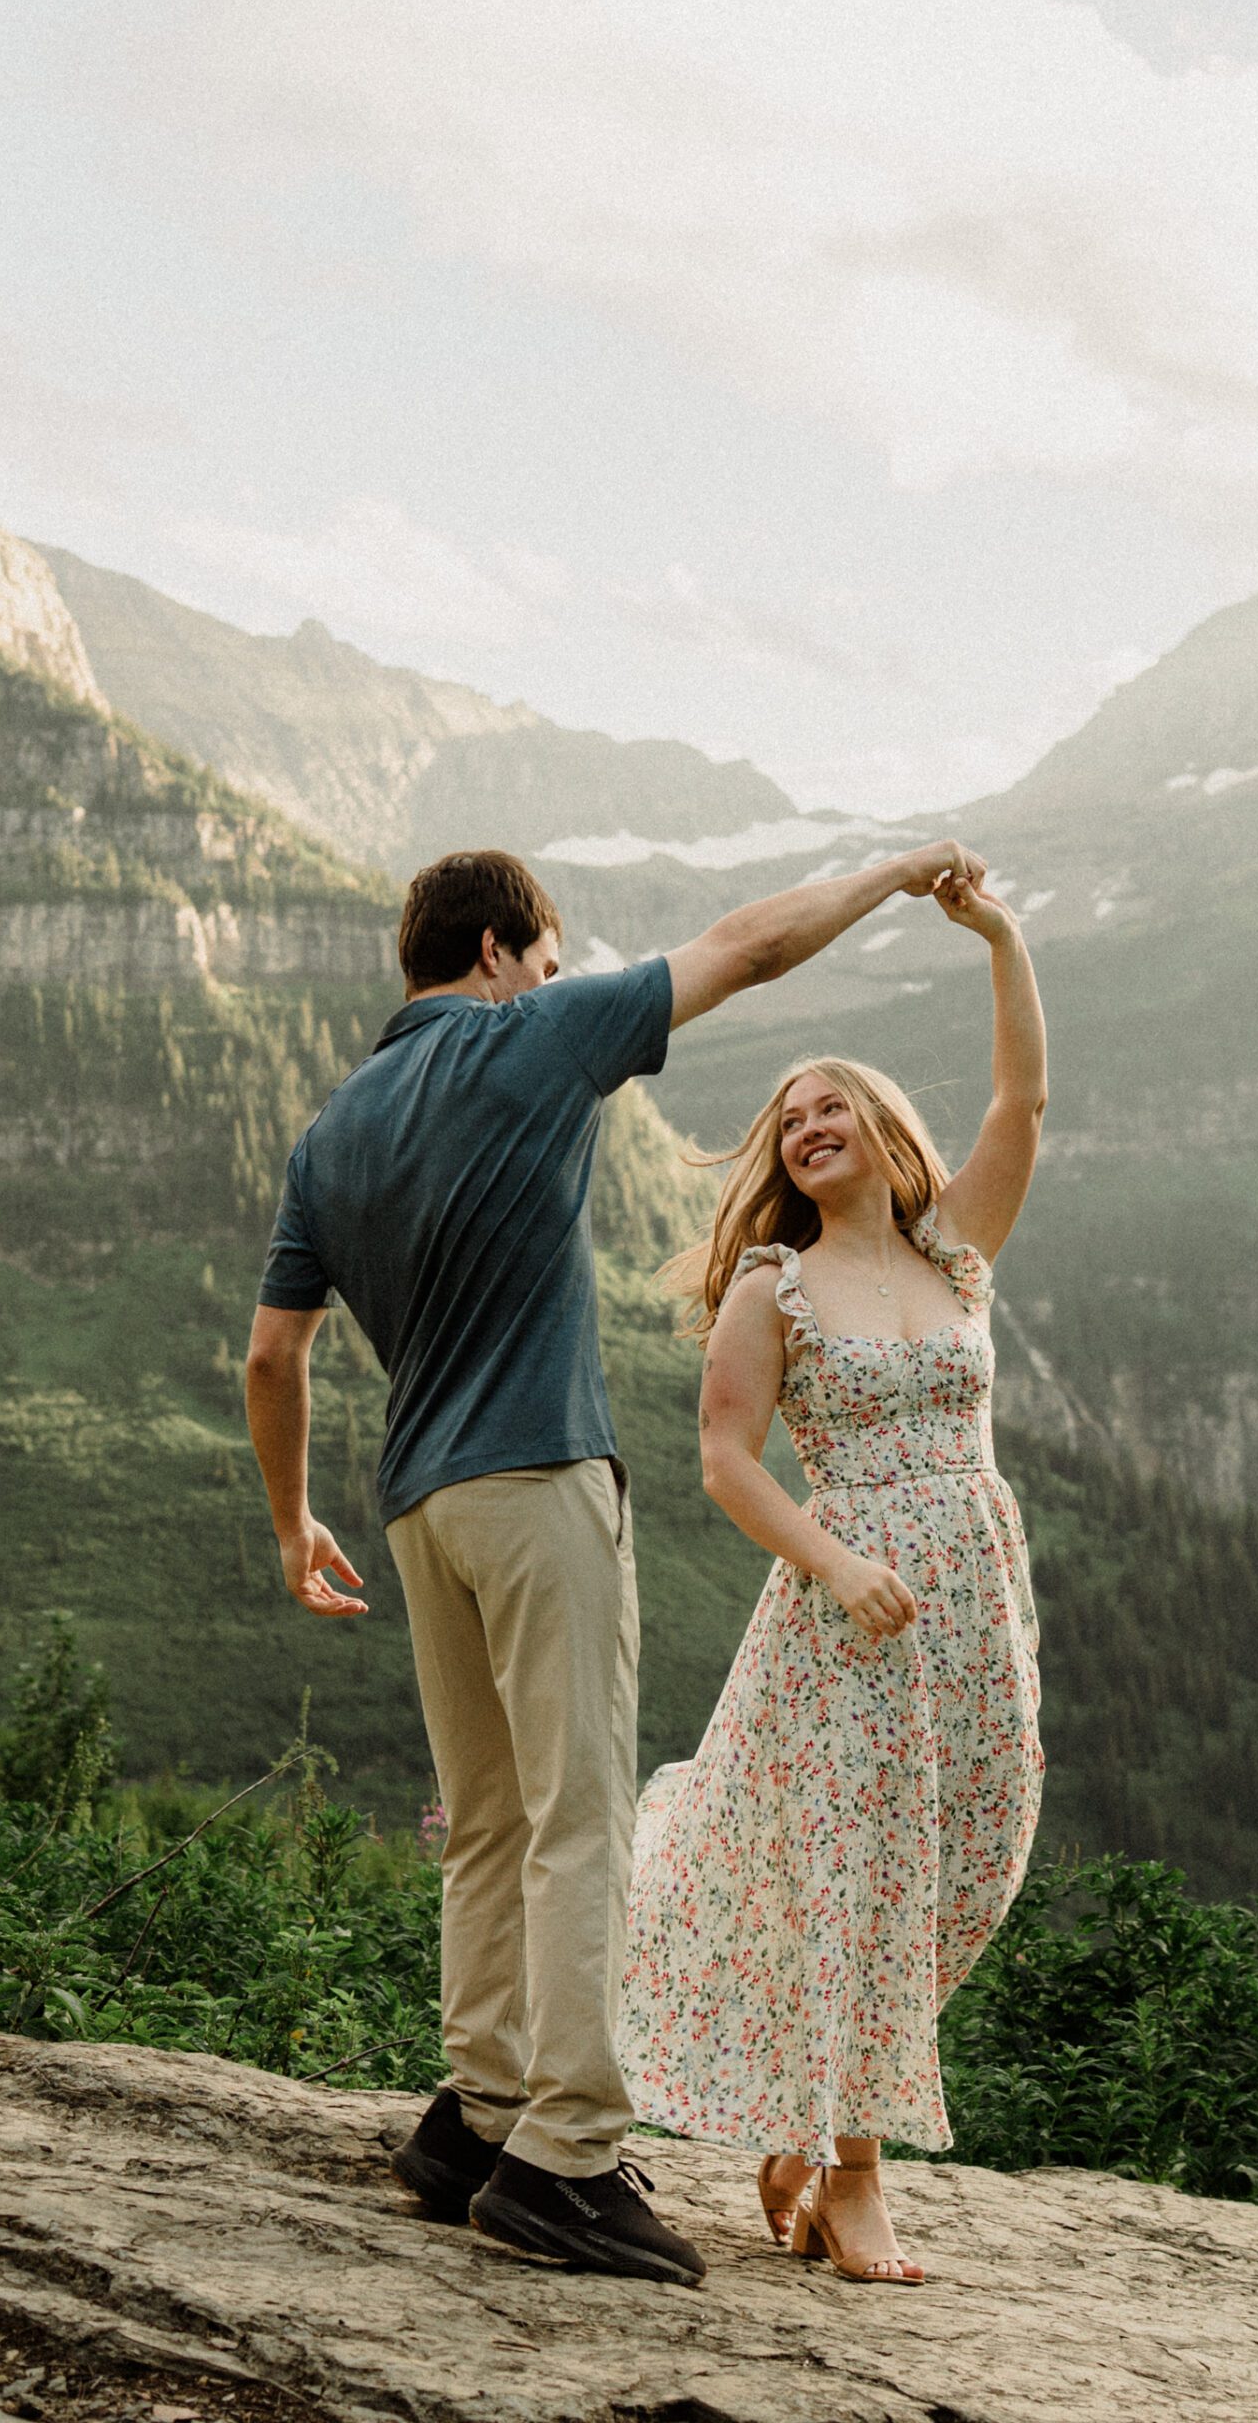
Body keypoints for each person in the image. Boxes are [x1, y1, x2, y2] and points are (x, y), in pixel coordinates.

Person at [243, 836, 985, 2290]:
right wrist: (891, 874)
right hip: (535, 1477)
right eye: (550, 956)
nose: (558, 977)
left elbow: (276, 1351)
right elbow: (751, 945)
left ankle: (477, 2115)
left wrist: (290, 1519)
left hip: (413, 1507)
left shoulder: (329, 1134)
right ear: (507, 952)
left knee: (491, 1819)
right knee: (581, 1817)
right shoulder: (527, 1039)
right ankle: (565, 2159)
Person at [618, 865, 1046, 2283]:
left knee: (974, 1864)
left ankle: (806, 2134)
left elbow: (1019, 1109)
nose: (807, 1127)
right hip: (847, 1614)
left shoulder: (955, 1256)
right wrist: (837, 1562)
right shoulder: (770, 1288)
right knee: (862, 1879)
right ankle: (853, 2181)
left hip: (977, 1606)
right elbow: (727, 1459)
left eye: (829, 1107)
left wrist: (999, 939)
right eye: (786, 1119)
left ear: (878, 1131)